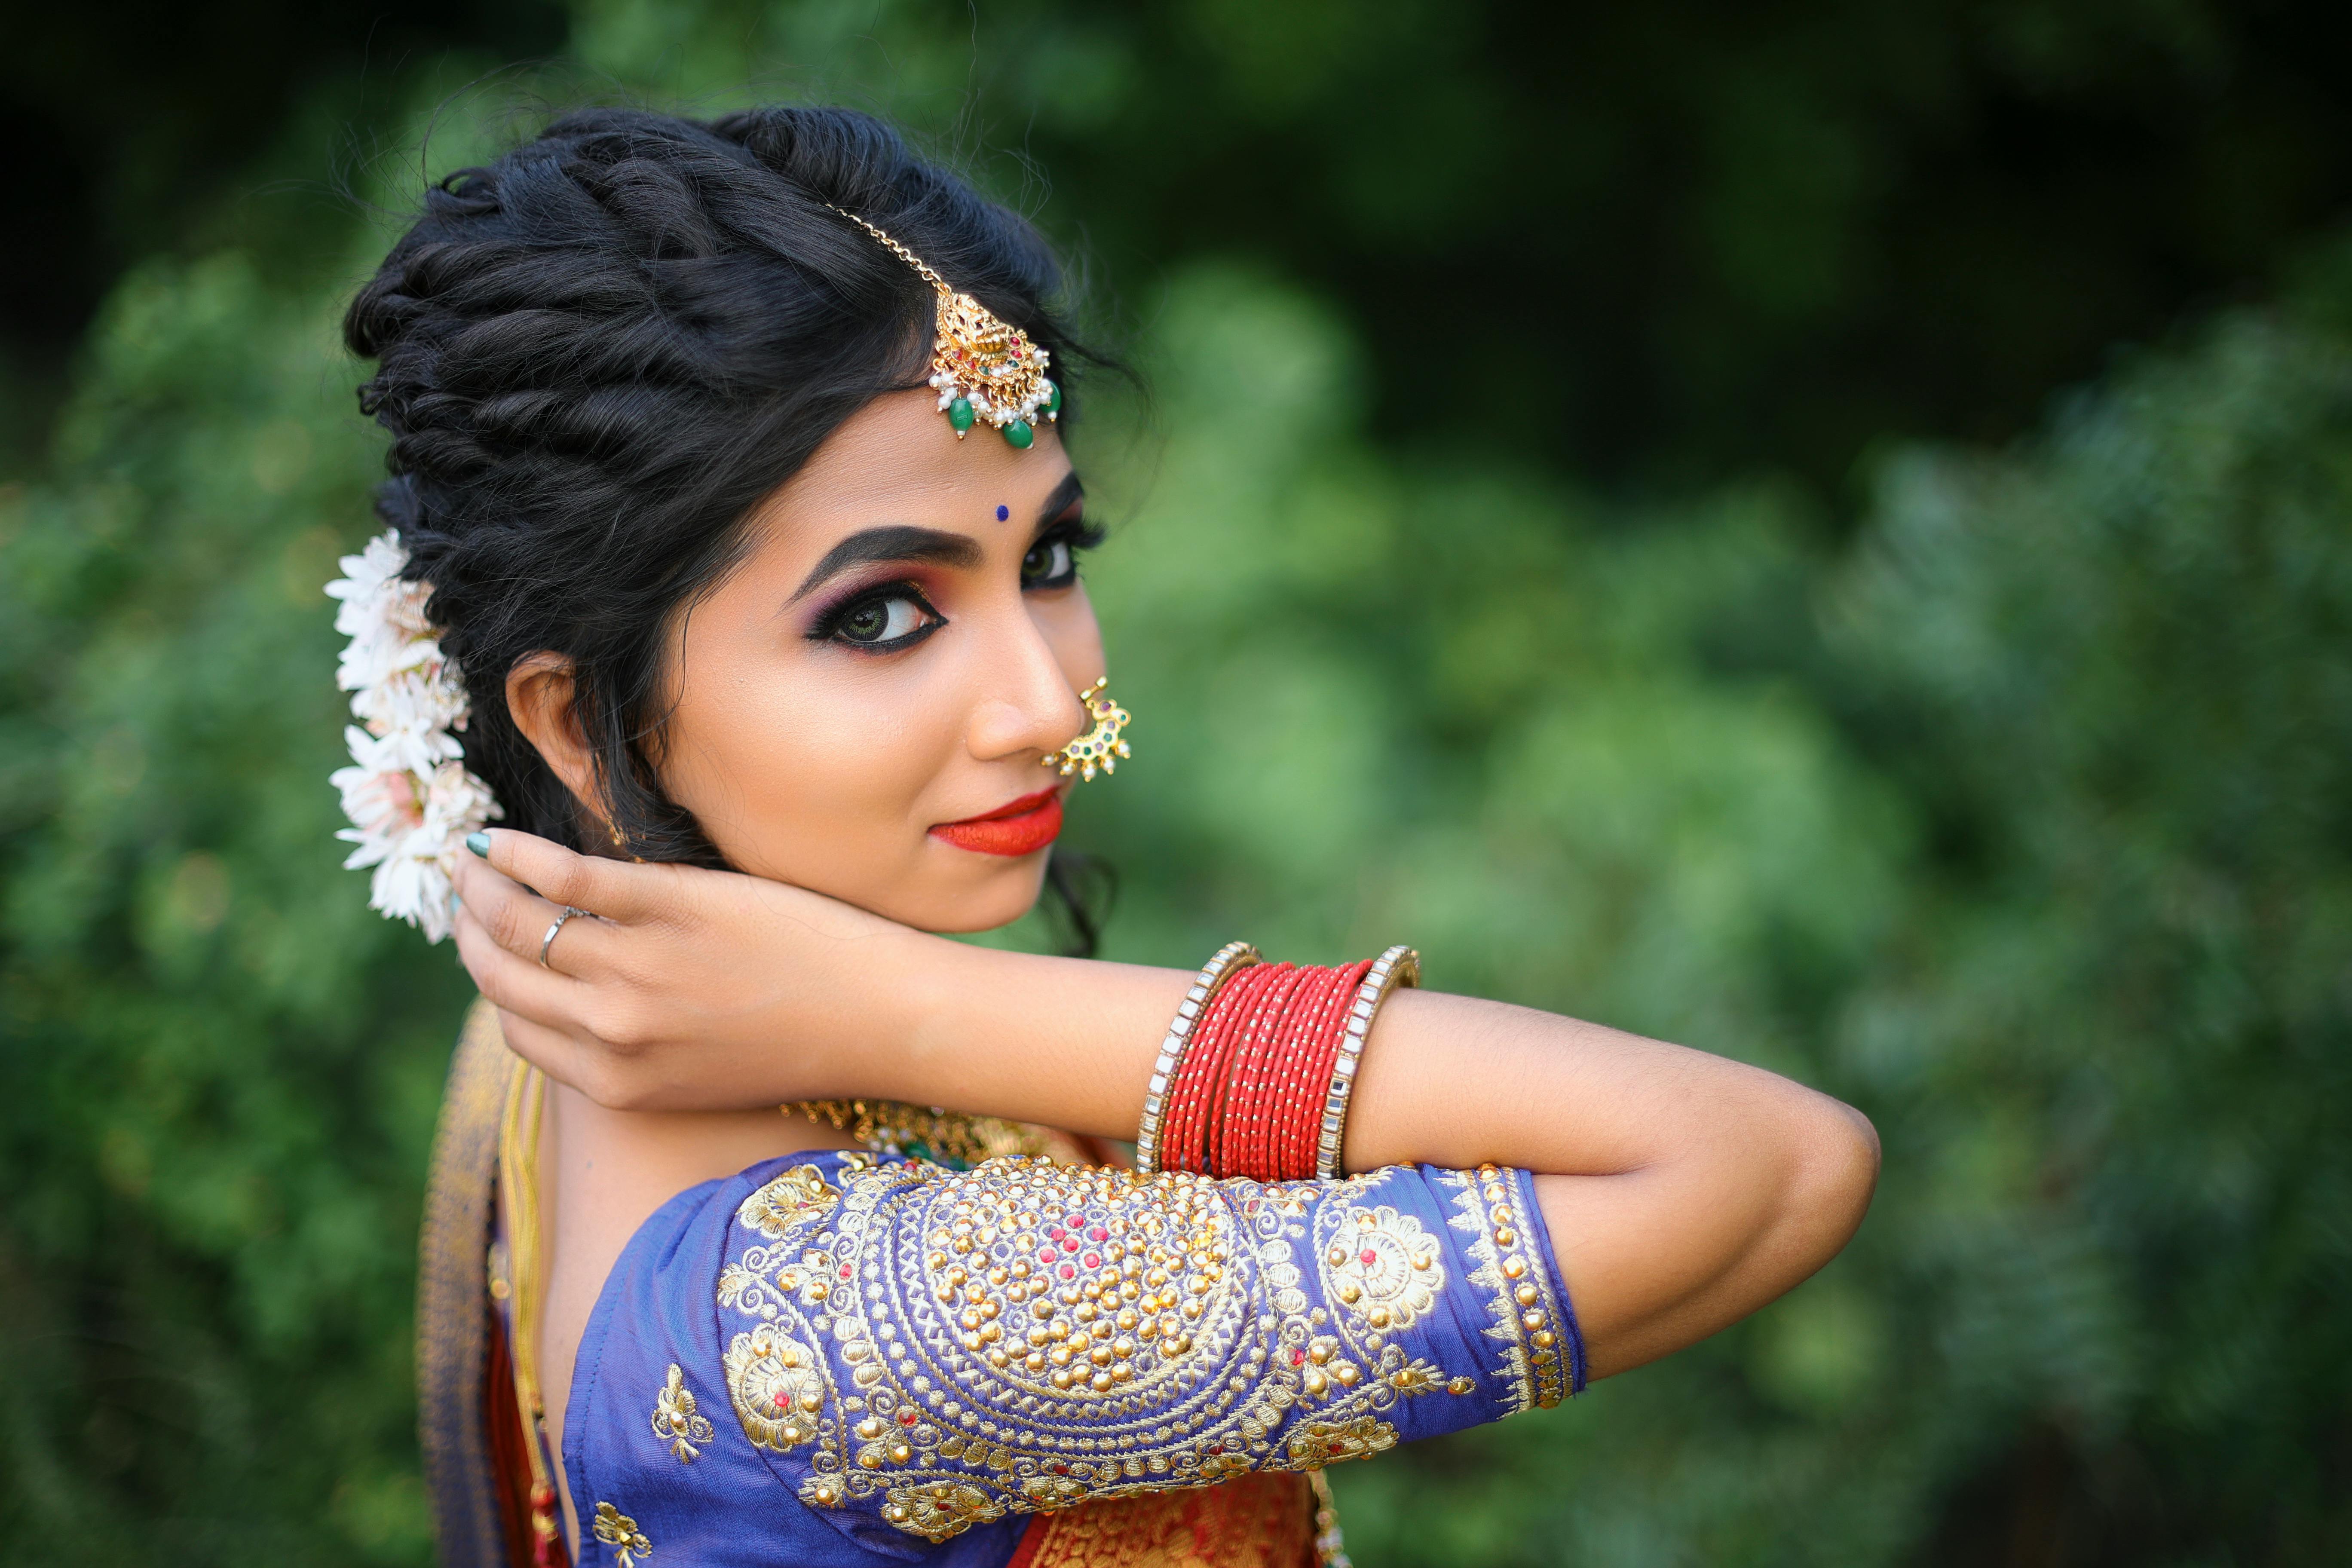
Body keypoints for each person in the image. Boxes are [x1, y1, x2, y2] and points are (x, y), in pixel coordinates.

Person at [334, 105, 1880, 1568]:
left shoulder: (567, 1019)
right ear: (565, 723)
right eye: (881, 613)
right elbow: (1771, 1164)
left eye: (1053, 554)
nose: (1048, 700)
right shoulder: (886, 1327)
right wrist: (917, 1009)